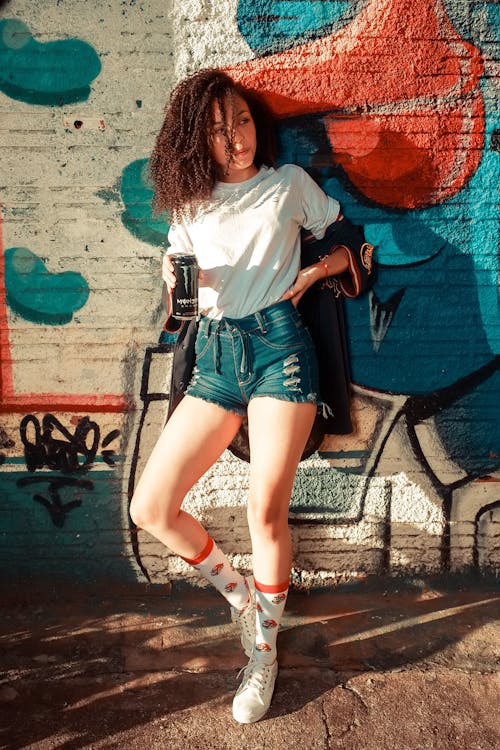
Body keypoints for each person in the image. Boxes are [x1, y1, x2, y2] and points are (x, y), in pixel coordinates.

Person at [129, 67, 350, 724]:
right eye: (220, 131)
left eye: (243, 123)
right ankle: (240, 596)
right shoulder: (190, 206)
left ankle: (264, 652)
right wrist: (171, 271)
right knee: (151, 507)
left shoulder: (287, 186)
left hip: (281, 350)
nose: (237, 140)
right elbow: (183, 291)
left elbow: (349, 240)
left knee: (265, 515)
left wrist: (317, 269)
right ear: (198, 139)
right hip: (219, 356)